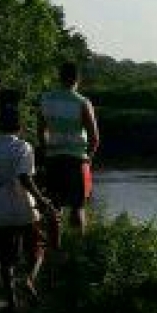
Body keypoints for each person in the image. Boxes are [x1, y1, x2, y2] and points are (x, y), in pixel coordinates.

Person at [0, 89, 55, 313]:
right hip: (24, 210)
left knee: (6, 259)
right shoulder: (24, 147)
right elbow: (25, 178)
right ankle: (30, 279)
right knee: (37, 248)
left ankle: (12, 303)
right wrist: (42, 201)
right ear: (20, 128)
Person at [39, 62, 100, 233]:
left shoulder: (46, 100)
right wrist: (88, 159)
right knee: (78, 207)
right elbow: (95, 138)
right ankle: (77, 247)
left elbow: (40, 131)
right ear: (77, 79)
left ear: (59, 77)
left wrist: (47, 152)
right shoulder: (82, 102)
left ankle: (54, 247)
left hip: (54, 159)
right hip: (77, 159)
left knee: (54, 205)